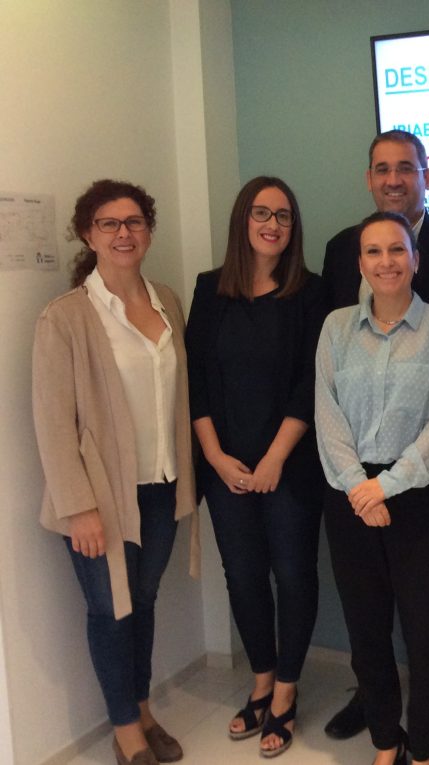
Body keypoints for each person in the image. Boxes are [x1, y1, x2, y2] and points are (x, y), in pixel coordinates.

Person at [321, 129, 429, 747]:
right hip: (354, 470)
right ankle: (375, 704)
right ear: (369, 178)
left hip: (428, 467)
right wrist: (359, 484)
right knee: (366, 604)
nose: (393, 178)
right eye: (382, 168)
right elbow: (332, 377)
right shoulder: (340, 250)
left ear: (426, 175)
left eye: (406, 168)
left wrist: (400, 478)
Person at [33, 179, 199, 765]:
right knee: (110, 610)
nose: (124, 233)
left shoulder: (167, 301)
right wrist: (77, 507)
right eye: (110, 223)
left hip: (161, 487)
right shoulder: (66, 317)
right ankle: (126, 730)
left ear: (148, 231)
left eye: (134, 222)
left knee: (143, 601)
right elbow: (53, 421)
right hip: (100, 498)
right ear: (89, 234)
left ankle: (143, 707)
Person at [185, 176, 327, 757]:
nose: (272, 224)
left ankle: (287, 692)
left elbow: (312, 383)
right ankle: (261, 680)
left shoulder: (311, 293)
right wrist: (215, 457)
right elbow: (194, 379)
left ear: (294, 228)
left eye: (284, 216)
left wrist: (273, 459)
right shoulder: (209, 288)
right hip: (225, 467)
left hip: (289, 465)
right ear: (242, 219)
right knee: (242, 576)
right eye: (262, 213)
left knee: (293, 576)